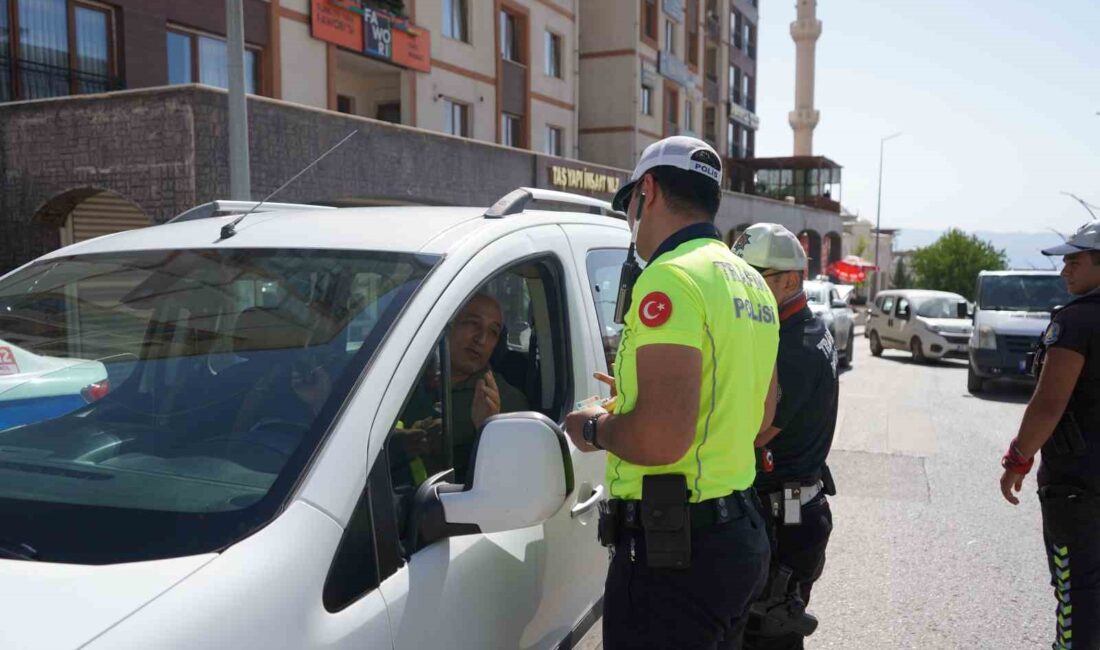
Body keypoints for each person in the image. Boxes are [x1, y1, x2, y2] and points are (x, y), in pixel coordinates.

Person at [564, 136, 780, 649]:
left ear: (649, 190)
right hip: (737, 538)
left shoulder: (669, 279)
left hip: (676, 558)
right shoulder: (750, 282)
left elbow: (661, 442)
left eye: (631, 205)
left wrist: (592, 426)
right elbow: (760, 415)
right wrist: (651, 396)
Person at [734, 223, 839, 650]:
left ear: (791, 280)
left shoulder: (792, 345)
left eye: (754, 278)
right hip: (794, 504)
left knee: (767, 632)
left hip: (787, 511)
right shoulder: (801, 330)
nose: (743, 289)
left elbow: (755, 433)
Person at [1000, 220, 1100, 650]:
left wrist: (1018, 458)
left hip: (1077, 489)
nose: (1064, 270)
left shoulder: (1076, 321)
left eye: (1074, 261)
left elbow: (1049, 402)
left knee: (1077, 599)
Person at [397, 292, 529, 483]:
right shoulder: (406, 377)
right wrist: (401, 443)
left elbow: (512, 481)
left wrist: (487, 428)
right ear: (447, 326)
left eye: (493, 332)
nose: (481, 339)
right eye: (473, 324)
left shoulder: (506, 400)